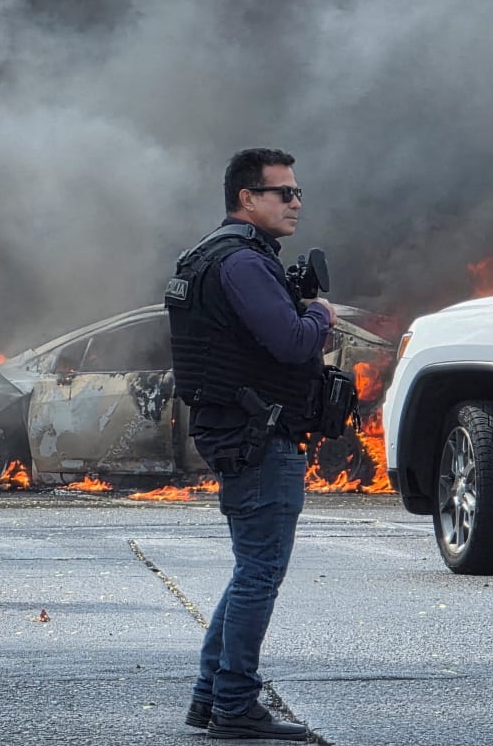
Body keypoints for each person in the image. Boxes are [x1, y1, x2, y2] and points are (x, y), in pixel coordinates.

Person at [164, 148, 336, 740]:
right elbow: (291, 342)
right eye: (282, 192)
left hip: (242, 432)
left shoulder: (210, 256)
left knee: (249, 571)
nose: (295, 202)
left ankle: (210, 700)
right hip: (259, 437)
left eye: (297, 191)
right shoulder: (241, 263)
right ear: (247, 198)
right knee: (260, 572)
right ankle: (235, 706)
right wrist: (321, 316)